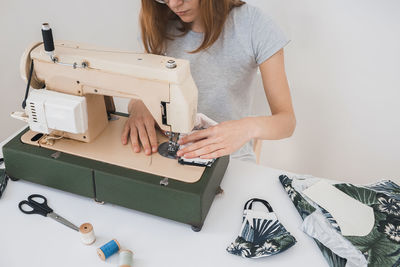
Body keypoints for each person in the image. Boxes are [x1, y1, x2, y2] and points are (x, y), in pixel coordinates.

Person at [121, 0, 296, 163]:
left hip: (229, 157)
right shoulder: (159, 22)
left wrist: (246, 128)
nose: (174, 4)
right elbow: (144, 88)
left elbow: (287, 122)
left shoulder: (254, 26)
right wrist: (138, 105)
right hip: (168, 152)